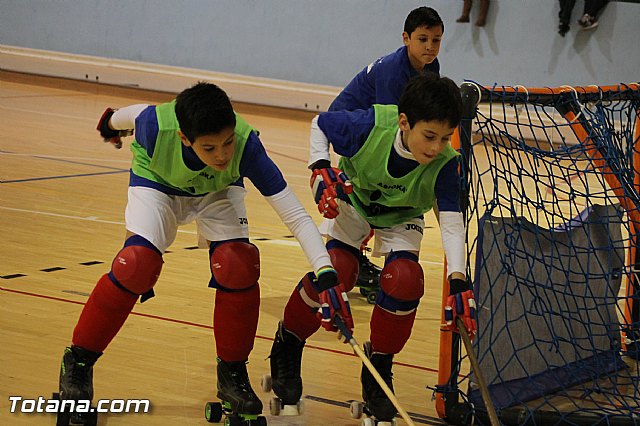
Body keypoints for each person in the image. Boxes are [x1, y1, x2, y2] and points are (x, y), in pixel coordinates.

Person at [56, 82, 352, 424]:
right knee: (136, 265)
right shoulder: (155, 126)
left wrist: (326, 273)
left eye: (227, 142)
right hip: (158, 184)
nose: (223, 155)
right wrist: (109, 125)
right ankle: (78, 362)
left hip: (218, 190)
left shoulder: (244, 146)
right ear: (185, 138)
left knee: (239, 264)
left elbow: (296, 216)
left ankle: (232, 375)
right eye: (210, 148)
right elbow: (128, 115)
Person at [267, 73, 477, 422]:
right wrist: (320, 166)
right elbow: (320, 123)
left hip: (402, 215)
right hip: (355, 200)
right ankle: (287, 344)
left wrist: (459, 279)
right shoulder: (369, 125)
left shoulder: (446, 163)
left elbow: (452, 223)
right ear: (404, 122)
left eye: (444, 138)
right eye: (429, 136)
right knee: (337, 270)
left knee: (406, 279)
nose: (436, 147)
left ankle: (378, 368)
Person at [329, 6, 445, 294]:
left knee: (385, 193)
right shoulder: (393, 72)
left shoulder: (431, 66)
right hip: (351, 132)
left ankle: (361, 262)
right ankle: (356, 260)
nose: (430, 47)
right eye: (423, 39)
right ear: (406, 38)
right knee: (373, 194)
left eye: (436, 40)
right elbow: (392, 127)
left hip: (373, 129)